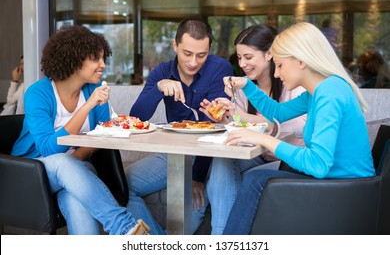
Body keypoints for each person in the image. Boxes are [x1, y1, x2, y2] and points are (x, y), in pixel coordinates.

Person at [221, 22, 375, 235]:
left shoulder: (330, 94)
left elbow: (318, 164)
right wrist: (247, 85)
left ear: (301, 61)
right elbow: (278, 113)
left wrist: (266, 140)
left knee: (256, 180)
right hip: (340, 181)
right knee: (275, 171)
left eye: (280, 65)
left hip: (347, 191)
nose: (276, 74)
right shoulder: (320, 90)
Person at [11, 25, 150, 235]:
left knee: (74, 195)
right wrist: (86, 107)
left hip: (78, 170)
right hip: (31, 173)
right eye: (96, 59)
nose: (103, 65)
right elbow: (48, 149)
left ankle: (124, 229)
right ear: (74, 60)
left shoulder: (95, 90)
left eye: (104, 58)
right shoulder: (38, 93)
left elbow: (102, 135)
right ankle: (123, 226)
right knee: (62, 163)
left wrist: (75, 161)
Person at [192, 25, 307, 234]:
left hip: (286, 160)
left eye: (248, 57)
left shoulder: (293, 84)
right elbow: (240, 124)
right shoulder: (246, 88)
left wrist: (246, 118)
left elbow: (296, 126)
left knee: (217, 174)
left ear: (269, 54)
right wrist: (224, 117)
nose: (242, 64)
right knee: (220, 163)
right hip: (257, 156)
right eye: (239, 58)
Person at [126, 18, 234, 234]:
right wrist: (158, 88)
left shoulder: (219, 69)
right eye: (187, 53)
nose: (193, 62)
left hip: (210, 157)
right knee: (121, 185)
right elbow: (136, 118)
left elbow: (216, 127)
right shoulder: (161, 72)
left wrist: (197, 176)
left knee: (194, 205)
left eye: (201, 55)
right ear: (175, 46)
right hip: (174, 154)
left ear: (209, 49)